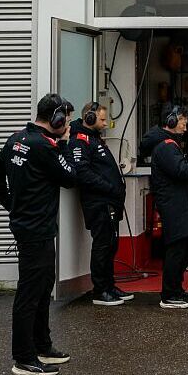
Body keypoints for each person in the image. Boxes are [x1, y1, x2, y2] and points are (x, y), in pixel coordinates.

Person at [0, 94, 77, 375]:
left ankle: (42, 345)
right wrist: (64, 145)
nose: (68, 126)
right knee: (30, 293)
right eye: (67, 120)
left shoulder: (17, 138)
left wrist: (12, 205)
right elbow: (71, 177)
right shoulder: (45, 146)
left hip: (31, 227)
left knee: (41, 288)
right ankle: (24, 359)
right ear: (57, 119)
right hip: (36, 230)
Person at [140, 106, 188, 308]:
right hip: (174, 205)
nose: (185, 124)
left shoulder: (168, 145)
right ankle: (170, 294)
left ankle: (176, 291)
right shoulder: (166, 146)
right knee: (177, 249)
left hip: (179, 204)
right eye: (181, 120)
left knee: (186, 247)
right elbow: (183, 171)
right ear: (170, 121)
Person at [68, 102, 131, 307]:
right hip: (99, 203)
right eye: (102, 119)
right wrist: (110, 188)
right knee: (103, 245)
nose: (106, 123)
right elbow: (83, 172)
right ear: (90, 117)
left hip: (109, 202)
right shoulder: (80, 140)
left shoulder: (94, 139)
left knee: (111, 245)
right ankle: (100, 290)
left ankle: (109, 286)